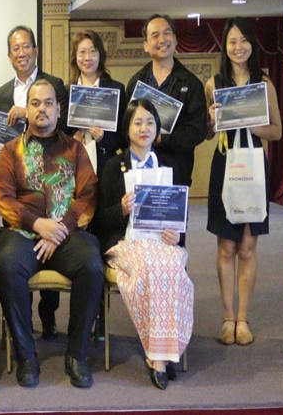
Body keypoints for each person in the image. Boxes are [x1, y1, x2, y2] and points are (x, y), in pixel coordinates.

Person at [0, 78, 104, 389]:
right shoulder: (9, 151)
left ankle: (77, 355)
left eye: (48, 103)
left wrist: (59, 229)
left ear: (58, 109)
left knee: (92, 267)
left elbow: (87, 197)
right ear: (26, 110)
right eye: (35, 103)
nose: (42, 109)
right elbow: (3, 198)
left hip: (66, 232)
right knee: (9, 267)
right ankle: (26, 356)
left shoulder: (75, 149)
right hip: (22, 232)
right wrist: (37, 224)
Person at [92, 99, 194, 390]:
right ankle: (160, 358)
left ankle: (159, 353)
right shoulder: (114, 166)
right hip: (126, 243)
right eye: (138, 122)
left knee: (172, 264)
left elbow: (180, 215)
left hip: (162, 243)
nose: (144, 128)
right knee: (151, 266)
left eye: (150, 122)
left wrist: (177, 234)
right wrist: (121, 210)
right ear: (127, 128)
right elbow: (99, 219)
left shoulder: (169, 164)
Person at [205, 17, 282, 346]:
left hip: (252, 164)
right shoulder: (213, 84)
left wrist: (251, 125)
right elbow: (206, 134)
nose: (238, 47)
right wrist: (212, 120)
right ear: (225, 46)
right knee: (226, 246)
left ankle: (243, 319)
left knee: (248, 246)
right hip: (225, 164)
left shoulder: (264, 85)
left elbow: (277, 131)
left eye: (244, 40)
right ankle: (226, 318)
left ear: (253, 44)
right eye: (232, 41)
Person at [0, 25, 69, 337]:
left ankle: (48, 315)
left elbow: (64, 123)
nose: (21, 53)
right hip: (18, 178)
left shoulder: (54, 84)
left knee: (52, 244)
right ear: (9, 56)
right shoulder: (0, 93)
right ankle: (20, 319)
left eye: (26, 47)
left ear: (36, 50)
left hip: (53, 180)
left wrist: (29, 110)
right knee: (15, 259)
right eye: (15, 49)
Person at [125, 14, 207, 187]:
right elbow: (125, 125)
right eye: (155, 35)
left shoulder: (191, 83)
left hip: (176, 171)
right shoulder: (136, 82)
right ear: (146, 45)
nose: (162, 39)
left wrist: (163, 139)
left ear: (176, 40)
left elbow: (197, 131)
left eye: (167, 33)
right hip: (140, 169)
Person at [68, 29, 128, 173]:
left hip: (105, 166)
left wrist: (103, 138)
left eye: (92, 52)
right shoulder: (67, 91)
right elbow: (58, 131)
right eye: (82, 52)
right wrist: (71, 137)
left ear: (100, 55)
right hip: (73, 164)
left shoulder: (115, 90)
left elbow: (124, 137)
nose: (87, 58)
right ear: (75, 56)